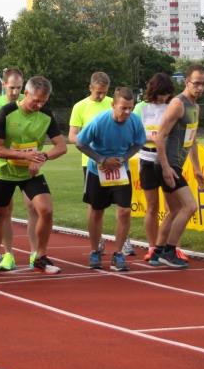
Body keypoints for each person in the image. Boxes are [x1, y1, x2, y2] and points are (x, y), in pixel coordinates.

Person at [0, 76, 68, 276]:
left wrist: (42, 157)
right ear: (26, 94)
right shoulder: (7, 112)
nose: (39, 105)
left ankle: (40, 257)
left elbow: (61, 146)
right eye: (36, 100)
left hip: (29, 173)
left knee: (46, 210)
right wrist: (23, 155)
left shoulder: (46, 115)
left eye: (44, 101)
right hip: (5, 172)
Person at [76, 88, 146, 271]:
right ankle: (95, 251)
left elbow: (139, 142)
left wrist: (124, 158)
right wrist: (101, 160)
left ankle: (119, 253)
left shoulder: (135, 122)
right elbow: (80, 143)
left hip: (121, 171)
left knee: (124, 211)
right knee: (97, 212)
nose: (128, 112)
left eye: (130, 108)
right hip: (97, 172)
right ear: (113, 105)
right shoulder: (99, 122)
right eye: (123, 108)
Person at [146, 64, 204, 269]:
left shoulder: (195, 107)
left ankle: (158, 252)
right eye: (196, 83)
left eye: (203, 84)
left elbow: (193, 140)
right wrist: (165, 167)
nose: (200, 87)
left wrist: (197, 169)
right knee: (189, 206)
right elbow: (160, 137)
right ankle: (170, 251)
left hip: (176, 165)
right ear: (187, 82)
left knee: (174, 211)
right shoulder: (177, 104)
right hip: (166, 165)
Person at [69, 71, 132, 257]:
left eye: (104, 92)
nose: (101, 96)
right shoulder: (80, 106)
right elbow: (73, 136)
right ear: (90, 88)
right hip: (92, 162)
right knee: (96, 207)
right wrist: (92, 147)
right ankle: (97, 242)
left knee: (122, 207)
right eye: (98, 92)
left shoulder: (116, 103)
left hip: (118, 163)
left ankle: (124, 240)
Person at [0, 68, 39, 270]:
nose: (15, 91)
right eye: (12, 87)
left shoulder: (32, 104)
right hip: (4, 165)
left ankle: (35, 253)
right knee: (5, 210)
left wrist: (36, 157)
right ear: (4, 85)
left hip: (28, 164)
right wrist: (6, 150)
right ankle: (8, 254)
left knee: (34, 207)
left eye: (19, 87)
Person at [134, 73, 176, 261]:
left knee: (172, 207)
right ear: (153, 91)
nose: (163, 98)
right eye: (160, 94)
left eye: (167, 94)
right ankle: (152, 246)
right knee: (152, 206)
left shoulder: (172, 107)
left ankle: (169, 246)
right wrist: (152, 137)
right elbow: (133, 134)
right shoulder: (141, 108)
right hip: (147, 160)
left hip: (167, 161)